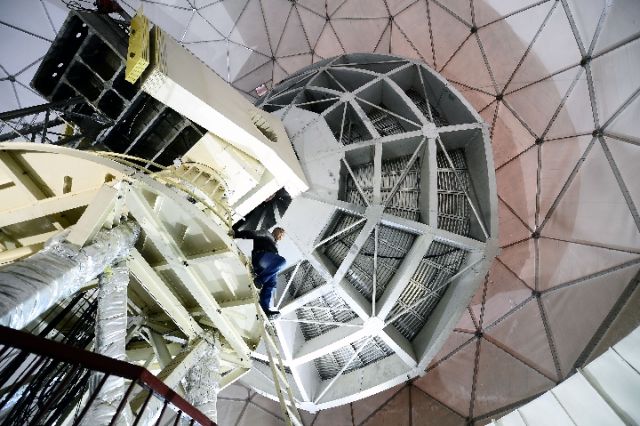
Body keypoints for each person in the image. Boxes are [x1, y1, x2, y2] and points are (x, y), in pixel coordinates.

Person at [233, 227, 286, 318]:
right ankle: (259, 280)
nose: (281, 235)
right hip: (260, 257)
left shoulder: (276, 247)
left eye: (283, 235)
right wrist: (237, 234)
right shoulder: (266, 234)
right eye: (281, 232)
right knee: (282, 261)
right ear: (275, 231)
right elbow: (252, 233)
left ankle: (265, 309)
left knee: (272, 282)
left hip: (264, 266)